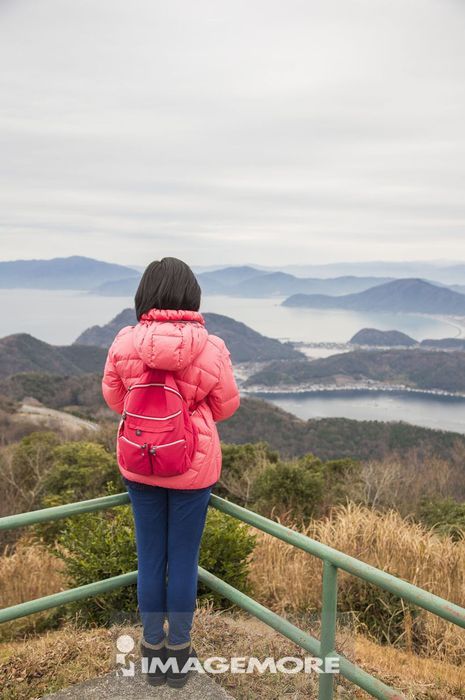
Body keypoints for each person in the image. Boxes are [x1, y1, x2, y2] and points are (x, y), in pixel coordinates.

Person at [101, 257, 240, 688]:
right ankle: (178, 654)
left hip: (140, 463)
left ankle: (149, 649)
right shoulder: (211, 347)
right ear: (191, 295)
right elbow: (226, 406)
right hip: (192, 469)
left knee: (150, 559)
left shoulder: (125, 342)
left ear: (143, 294)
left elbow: (114, 399)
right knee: (182, 561)